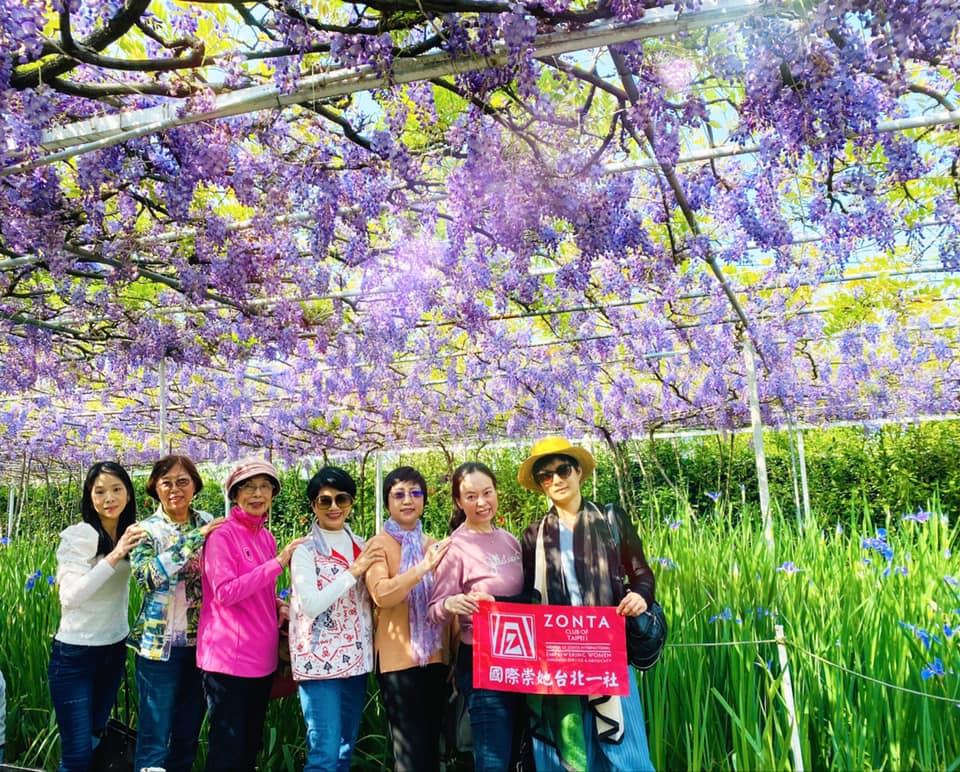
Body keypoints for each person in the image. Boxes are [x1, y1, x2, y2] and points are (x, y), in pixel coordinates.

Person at [517, 437, 656, 772]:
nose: (556, 480)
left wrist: (640, 596)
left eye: (562, 470)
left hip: (608, 647)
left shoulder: (610, 518)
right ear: (541, 486)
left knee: (626, 751)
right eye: (546, 476)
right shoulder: (534, 535)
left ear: (578, 471)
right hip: (560, 654)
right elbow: (527, 597)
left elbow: (641, 571)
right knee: (578, 751)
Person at [197, 458, 305, 772]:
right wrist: (280, 562)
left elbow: (256, 586)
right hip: (228, 661)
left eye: (264, 487)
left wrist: (276, 604)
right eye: (248, 488)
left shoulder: (266, 538)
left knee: (249, 747)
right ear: (234, 495)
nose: (257, 494)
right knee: (227, 749)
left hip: (262, 659)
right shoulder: (222, 536)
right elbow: (226, 592)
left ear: (272, 493)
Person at [428, 461, 525, 772]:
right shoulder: (454, 547)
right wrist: (451, 604)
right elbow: (433, 612)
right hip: (483, 660)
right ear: (458, 501)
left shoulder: (511, 540)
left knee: (518, 754)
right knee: (492, 757)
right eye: (470, 496)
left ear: (497, 492)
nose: (481, 502)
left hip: (521, 657)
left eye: (487, 493)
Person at [129, 454, 223, 772]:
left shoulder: (207, 520)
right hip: (158, 650)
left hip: (201, 646)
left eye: (183, 481)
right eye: (166, 482)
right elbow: (147, 577)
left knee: (187, 735)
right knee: (155, 738)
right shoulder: (144, 531)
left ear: (195, 486)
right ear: (155, 487)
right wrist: (196, 538)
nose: (174, 489)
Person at [49, 461, 144, 772]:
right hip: (75, 655)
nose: (109, 498)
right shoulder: (81, 535)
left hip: (113, 650)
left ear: (128, 494)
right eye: (100, 491)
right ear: (89, 497)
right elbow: (70, 596)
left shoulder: (133, 534)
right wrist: (115, 555)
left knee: (95, 740)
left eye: (117, 489)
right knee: (77, 756)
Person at [288, 466, 383, 772]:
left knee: (344, 750)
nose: (333, 507)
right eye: (323, 500)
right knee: (324, 755)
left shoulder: (362, 543)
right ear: (313, 506)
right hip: (319, 664)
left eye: (341, 499)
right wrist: (354, 571)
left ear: (351, 503)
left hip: (356, 660)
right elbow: (311, 604)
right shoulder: (304, 550)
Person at [364, 466, 451, 772]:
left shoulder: (434, 545)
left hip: (435, 660)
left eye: (415, 493)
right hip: (398, 663)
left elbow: (444, 603)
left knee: (431, 747)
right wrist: (421, 569)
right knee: (409, 753)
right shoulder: (379, 545)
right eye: (398, 494)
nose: (408, 500)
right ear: (387, 502)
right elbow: (382, 595)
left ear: (424, 500)